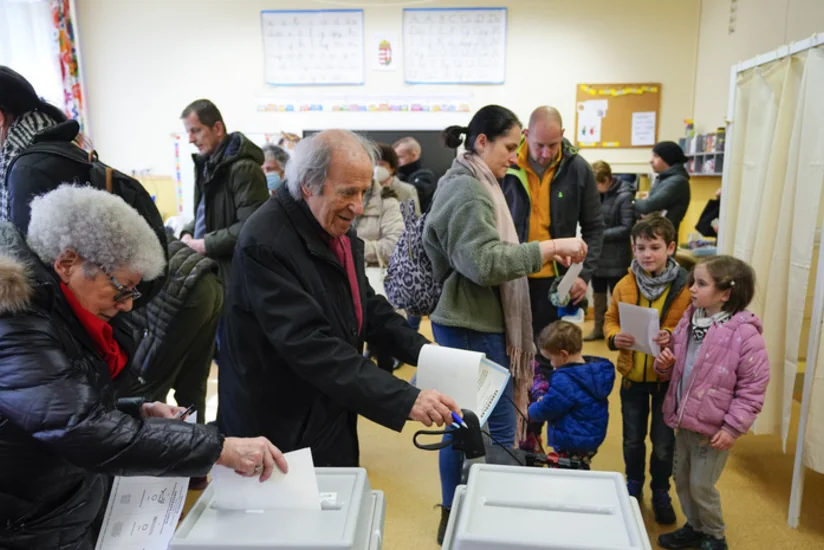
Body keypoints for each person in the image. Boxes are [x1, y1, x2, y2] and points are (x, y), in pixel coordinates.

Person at [0, 185, 288, 550]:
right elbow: (82, 428)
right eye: (122, 288)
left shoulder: (56, 312)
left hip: (54, 508)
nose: (126, 306)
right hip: (27, 527)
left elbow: (59, 409)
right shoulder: (19, 328)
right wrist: (219, 448)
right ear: (68, 263)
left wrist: (137, 411)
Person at [217, 129, 460, 470]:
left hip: (326, 404)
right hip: (278, 425)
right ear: (308, 184)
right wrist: (407, 399)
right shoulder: (266, 242)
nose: (358, 206)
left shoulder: (330, 225)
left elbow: (366, 307)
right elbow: (312, 346)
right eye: (348, 192)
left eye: (364, 191)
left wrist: (427, 353)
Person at [423, 104, 587, 544]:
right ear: (482, 142)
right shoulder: (467, 189)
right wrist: (549, 247)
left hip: (471, 321)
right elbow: (484, 263)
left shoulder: (473, 180)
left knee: (467, 427)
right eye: (510, 147)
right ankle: (478, 517)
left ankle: (463, 513)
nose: (515, 157)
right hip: (470, 324)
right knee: (484, 429)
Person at [655, 256, 769, 550]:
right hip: (683, 422)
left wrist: (732, 428)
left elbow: (752, 389)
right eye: (693, 282)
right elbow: (675, 367)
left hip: (713, 430)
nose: (691, 289)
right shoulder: (689, 320)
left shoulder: (745, 335)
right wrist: (664, 363)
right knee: (682, 480)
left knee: (701, 485)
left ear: (725, 294)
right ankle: (695, 527)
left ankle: (715, 535)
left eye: (701, 284)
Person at [603, 216, 691, 525]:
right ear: (633, 247)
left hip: (667, 381)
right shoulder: (625, 284)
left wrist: (671, 335)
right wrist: (614, 336)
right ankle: (633, 485)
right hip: (633, 379)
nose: (647, 254)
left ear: (670, 248)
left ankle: (660, 490)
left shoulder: (685, 287)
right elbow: (610, 319)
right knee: (632, 438)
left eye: (654, 247)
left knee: (664, 443)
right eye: (640, 248)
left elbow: (691, 327)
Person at [502, 106, 604, 338]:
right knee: (508, 346)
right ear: (526, 134)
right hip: (509, 274)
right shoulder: (507, 163)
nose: (546, 153)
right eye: (539, 145)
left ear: (562, 135)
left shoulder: (578, 169)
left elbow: (595, 227)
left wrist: (583, 275)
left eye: (553, 145)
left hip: (554, 281)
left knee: (545, 348)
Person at [128, 236, 223, 422]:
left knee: (145, 395)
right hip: (203, 277)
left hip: (173, 284)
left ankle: (185, 436)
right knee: (193, 384)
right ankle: (197, 436)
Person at [179, 99, 268, 294]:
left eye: (196, 131)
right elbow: (206, 214)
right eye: (188, 132)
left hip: (234, 277)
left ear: (218, 128)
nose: (190, 139)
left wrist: (204, 244)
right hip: (213, 270)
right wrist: (187, 233)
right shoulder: (209, 166)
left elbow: (252, 228)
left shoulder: (244, 169)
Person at [525, 321, 615, 469]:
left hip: (571, 440)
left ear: (564, 355)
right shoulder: (592, 371)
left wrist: (532, 409)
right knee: (580, 467)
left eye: (551, 359)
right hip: (589, 438)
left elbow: (549, 408)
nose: (551, 364)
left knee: (565, 471)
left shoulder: (565, 379)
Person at [355, 152, 404, 372]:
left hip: (378, 282)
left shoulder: (387, 201)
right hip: (344, 282)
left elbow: (393, 245)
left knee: (384, 340)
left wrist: (351, 247)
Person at [585, 160, 636, 341]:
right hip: (598, 256)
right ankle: (598, 328)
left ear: (606, 180)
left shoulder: (624, 195)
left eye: (597, 184)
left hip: (617, 257)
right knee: (598, 294)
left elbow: (627, 227)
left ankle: (618, 333)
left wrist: (599, 235)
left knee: (618, 296)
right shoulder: (596, 195)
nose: (595, 188)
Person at [635, 141, 691, 239]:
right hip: (654, 234)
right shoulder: (663, 178)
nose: (651, 160)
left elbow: (648, 206)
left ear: (667, 158)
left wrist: (631, 200)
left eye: (656, 156)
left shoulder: (677, 181)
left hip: (664, 238)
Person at [393, 136, 436, 213]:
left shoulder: (425, 176)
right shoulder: (399, 175)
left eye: (400, 157)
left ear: (414, 155)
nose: (396, 161)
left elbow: (410, 197)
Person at [375, 142, 420, 216]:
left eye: (382, 164)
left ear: (392, 169)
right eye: (374, 164)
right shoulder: (363, 190)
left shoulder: (407, 191)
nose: (377, 168)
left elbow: (414, 218)